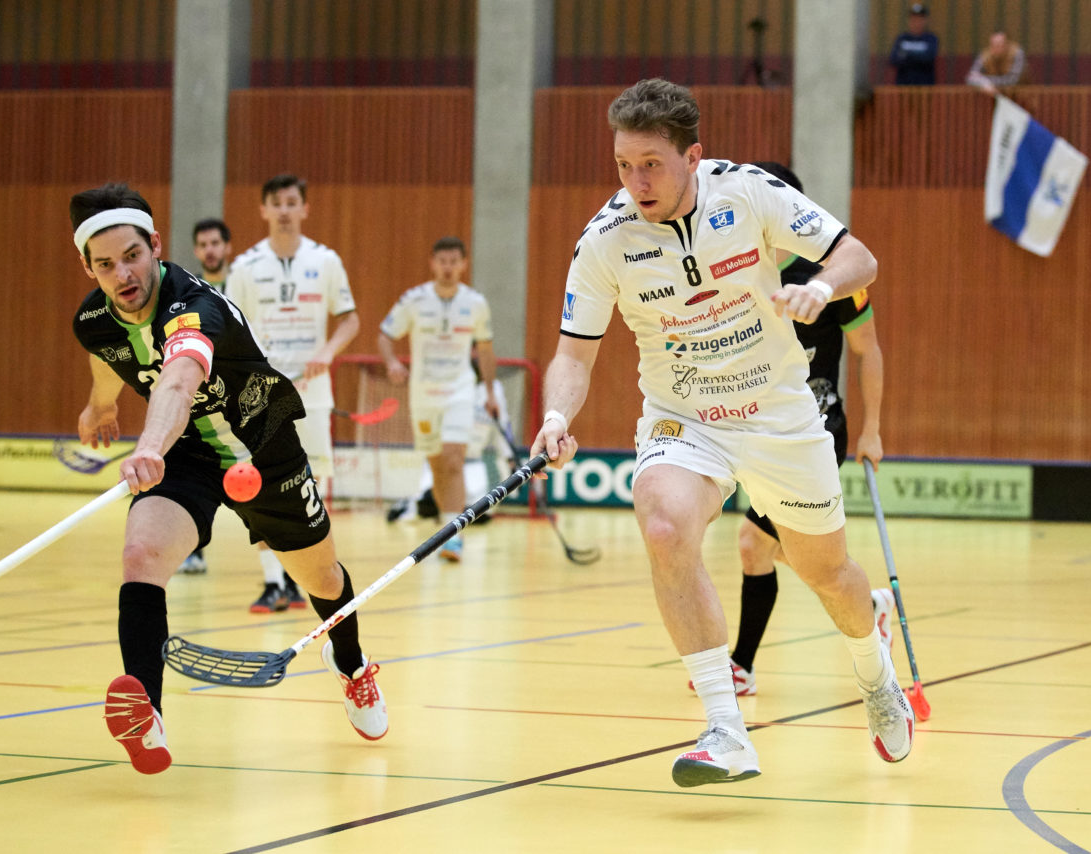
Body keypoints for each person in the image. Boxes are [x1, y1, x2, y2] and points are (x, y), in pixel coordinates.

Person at [529, 78, 914, 787]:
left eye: (650, 163)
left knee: (828, 575)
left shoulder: (749, 193)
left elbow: (861, 257)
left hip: (778, 414)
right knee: (666, 526)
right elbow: (573, 355)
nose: (634, 181)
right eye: (622, 164)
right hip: (686, 417)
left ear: (693, 156)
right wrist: (557, 416)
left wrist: (820, 288)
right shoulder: (605, 241)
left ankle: (876, 676)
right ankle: (725, 730)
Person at [69, 183, 386, 774]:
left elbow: (178, 381)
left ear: (156, 247)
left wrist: (146, 444)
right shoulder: (93, 318)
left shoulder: (193, 307)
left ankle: (352, 665)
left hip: (263, 444)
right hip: (188, 454)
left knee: (319, 574)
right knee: (141, 553)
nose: (123, 274)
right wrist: (100, 405)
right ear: (87, 266)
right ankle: (149, 713)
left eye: (133, 256)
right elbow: (106, 351)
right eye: (106, 265)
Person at [726, 161, 892, 697]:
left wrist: (872, 430)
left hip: (818, 431)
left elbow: (868, 352)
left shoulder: (831, 278)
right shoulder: (739, 272)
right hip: (760, 433)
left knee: (753, 542)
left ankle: (740, 666)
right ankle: (867, 606)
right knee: (796, 555)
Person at [226, 175, 361, 613]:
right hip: (264, 394)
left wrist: (327, 351)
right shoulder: (245, 267)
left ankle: (304, 577)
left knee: (311, 484)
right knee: (259, 484)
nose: (284, 210)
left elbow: (349, 320)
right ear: (263, 211)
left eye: (291, 202)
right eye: (276, 203)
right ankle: (273, 584)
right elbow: (228, 329)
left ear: (305, 209)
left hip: (312, 393)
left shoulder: (326, 261)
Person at [378, 237, 498, 562]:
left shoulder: (475, 303)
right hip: (423, 395)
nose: (447, 267)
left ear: (463, 264)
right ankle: (446, 525)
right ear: (433, 263)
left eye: (454, 261)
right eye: (442, 261)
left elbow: (485, 349)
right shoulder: (413, 300)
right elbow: (385, 334)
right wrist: (391, 362)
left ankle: (453, 536)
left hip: (459, 391)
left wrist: (489, 392)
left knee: (454, 458)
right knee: (436, 464)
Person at [175, 217, 235, 575]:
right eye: (203, 245)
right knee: (197, 470)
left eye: (216, 243)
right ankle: (194, 549)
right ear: (197, 251)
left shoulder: (242, 284)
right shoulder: (189, 291)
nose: (210, 250)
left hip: (239, 391)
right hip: (203, 394)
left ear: (227, 247)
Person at [386, 361, 513, 524]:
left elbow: (502, 426)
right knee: (429, 504)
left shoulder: (494, 391)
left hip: (473, 463)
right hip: (443, 461)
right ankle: (411, 505)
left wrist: (510, 458)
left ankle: (445, 512)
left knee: (477, 515)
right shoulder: (446, 385)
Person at [888, 4, 939, 86]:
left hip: (925, 87)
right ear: (909, 20)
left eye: (920, 19)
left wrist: (907, 54)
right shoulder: (902, 38)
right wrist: (920, 56)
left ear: (925, 21)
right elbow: (894, 60)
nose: (917, 22)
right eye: (914, 19)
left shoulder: (931, 38)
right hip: (903, 86)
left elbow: (929, 58)